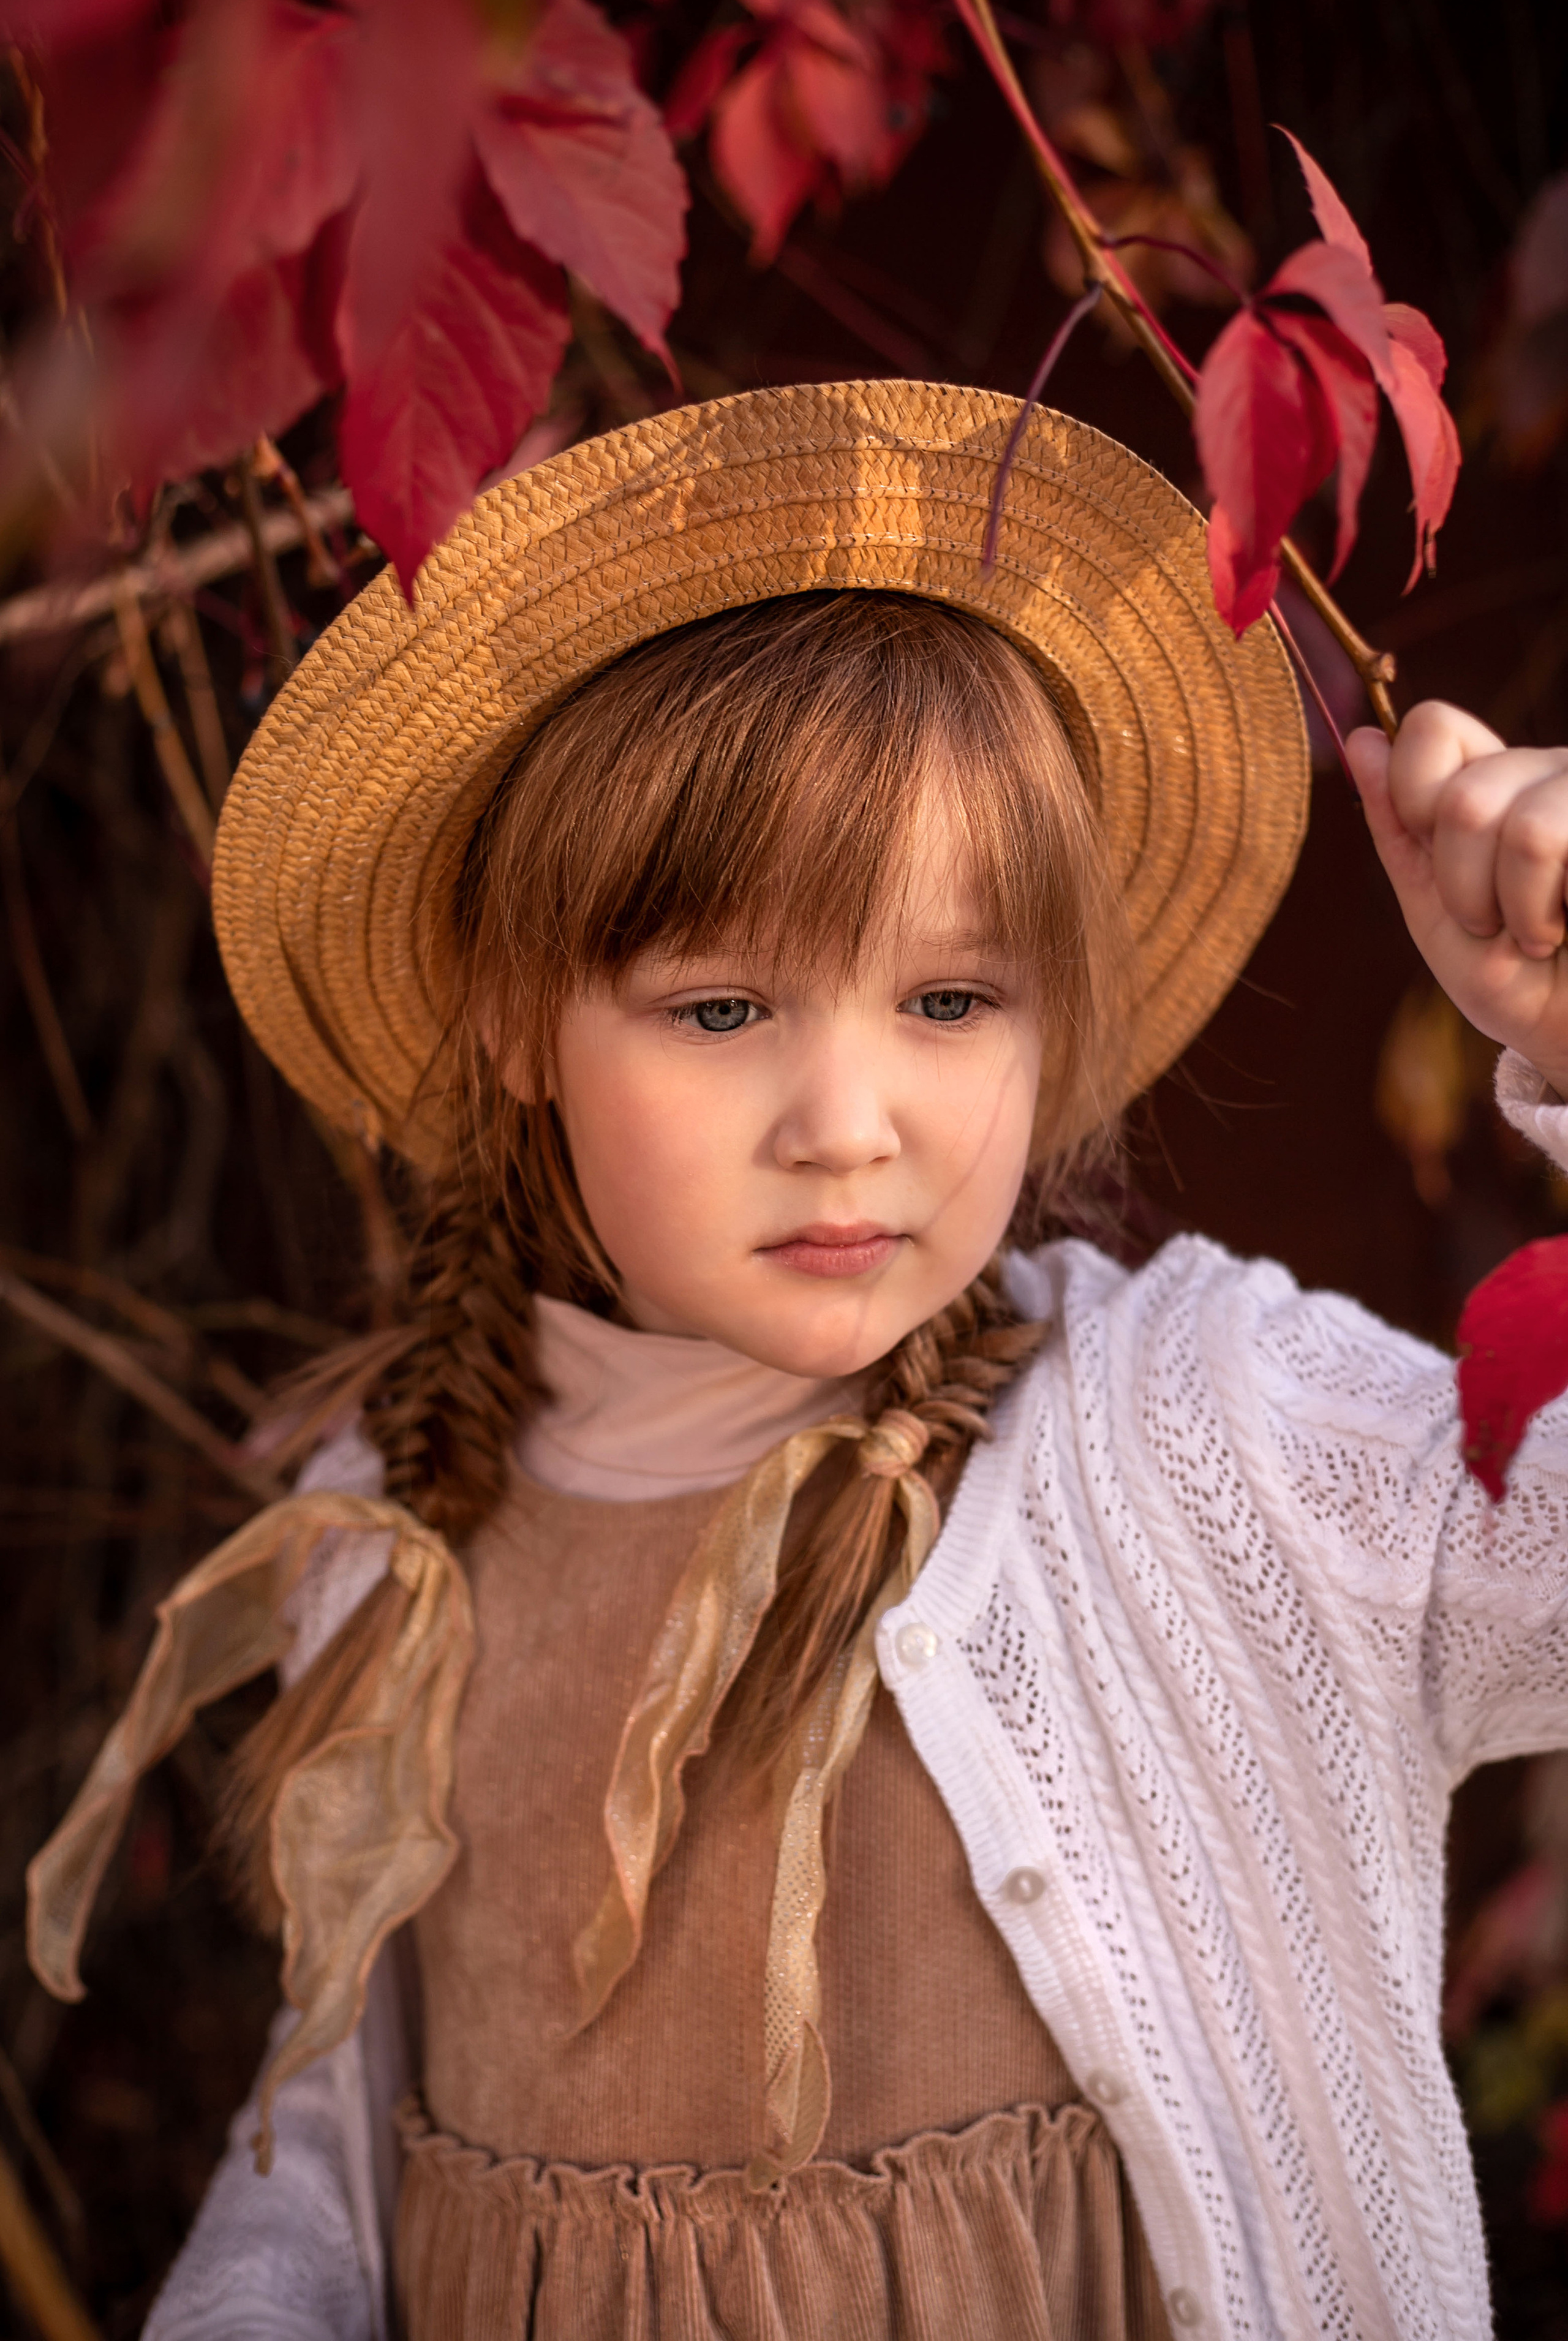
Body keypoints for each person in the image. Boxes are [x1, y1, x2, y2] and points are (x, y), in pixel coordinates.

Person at [26, 380, 1568, 2341]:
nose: (848, 1120)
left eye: (946, 997)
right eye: (724, 1003)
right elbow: (330, 2124)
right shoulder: (392, 1536)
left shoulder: (1198, 1437)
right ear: (518, 1018)